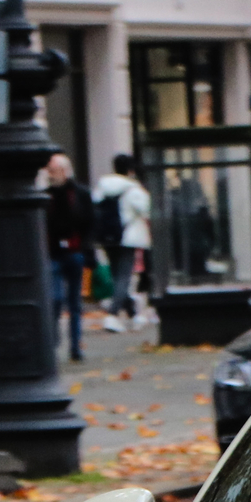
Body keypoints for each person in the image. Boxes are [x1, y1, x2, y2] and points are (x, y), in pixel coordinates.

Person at [41, 152, 94, 362]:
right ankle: (53, 343)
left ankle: (75, 346)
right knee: (54, 299)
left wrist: (85, 248)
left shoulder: (80, 194)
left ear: (64, 171)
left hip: (74, 252)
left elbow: (89, 222)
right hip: (53, 253)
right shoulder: (46, 195)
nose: (50, 175)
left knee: (74, 302)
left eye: (52, 171)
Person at [95, 154, 154, 330]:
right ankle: (112, 315)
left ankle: (133, 313)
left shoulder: (102, 187)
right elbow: (147, 210)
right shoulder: (134, 189)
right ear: (131, 170)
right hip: (128, 238)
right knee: (124, 278)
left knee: (116, 277)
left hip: (107, 238)